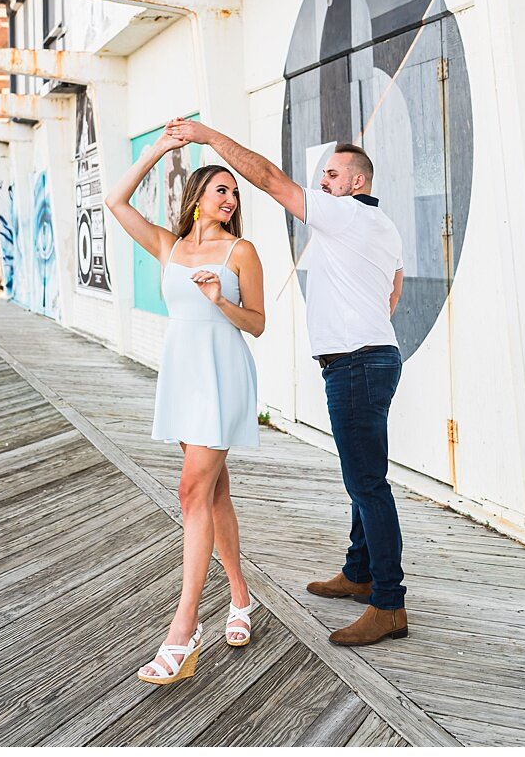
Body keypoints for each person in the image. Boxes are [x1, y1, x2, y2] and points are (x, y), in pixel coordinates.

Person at [166, 119, 407, 648]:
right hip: (373, 355)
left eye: (332, 174)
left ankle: (388, 602)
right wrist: (372, 324)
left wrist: (211, 137)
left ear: (357, 183)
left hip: (356, 363)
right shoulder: (381, 225)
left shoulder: (344, 215)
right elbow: (396, 285)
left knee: (368, 483)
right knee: (362, 474)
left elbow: (271, 179)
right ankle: (359, 571)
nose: (322, 181)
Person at [103, 131, 264, 685]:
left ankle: (184, 630)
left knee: (191, 492)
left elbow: (259, 325)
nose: (230, 200)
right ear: (197, 195)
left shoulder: (240, 252)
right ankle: (241, 601)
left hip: (222, 378)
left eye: (235, 195)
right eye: (222, 190)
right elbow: (115, 201)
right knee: (214, 492)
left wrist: (222, 301)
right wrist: (156, 153)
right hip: (182, 377)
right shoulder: (169, 247)